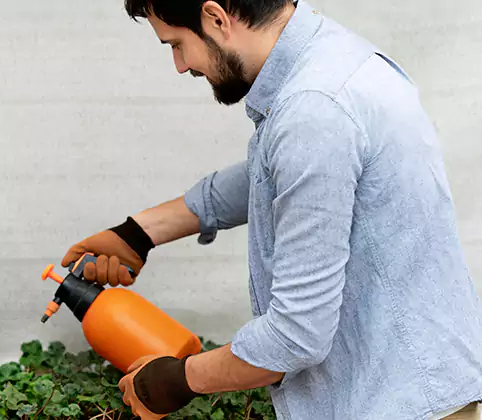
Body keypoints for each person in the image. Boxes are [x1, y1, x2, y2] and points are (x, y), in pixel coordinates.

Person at [62, 0, 482, 419]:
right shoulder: (334, 59)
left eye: (176, 44)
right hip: (417, 389)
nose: (179, 65)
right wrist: (140, 233)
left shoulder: (313, 110)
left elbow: (296, 336)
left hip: (398, 404)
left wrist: (176, 380)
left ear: (215, 18)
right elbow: (274, 171)